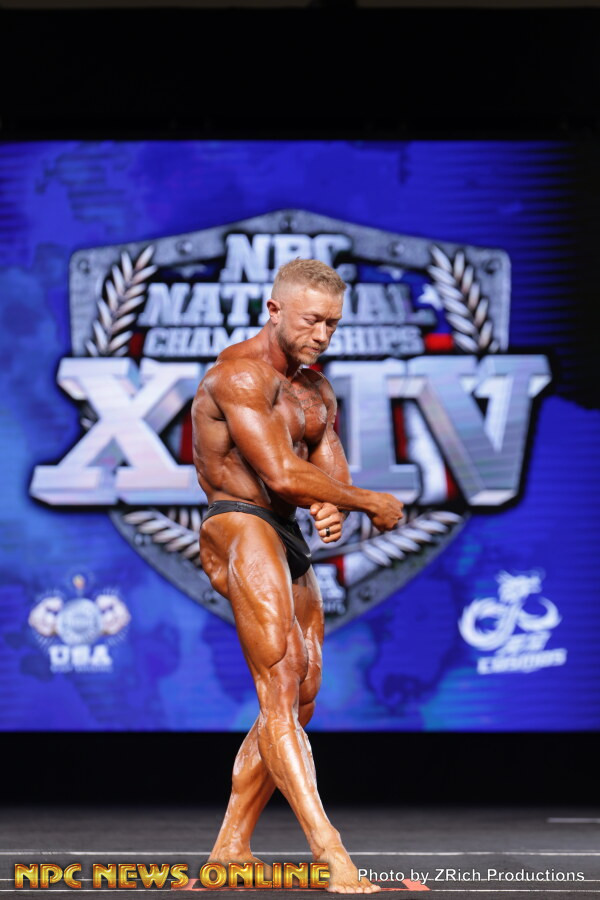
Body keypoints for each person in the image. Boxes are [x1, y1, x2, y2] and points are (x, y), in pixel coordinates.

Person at [190, 258, 404, 893]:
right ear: (274, 310)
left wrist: (333, 503)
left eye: (332, 324)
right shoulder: (238, 376)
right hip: (237, 522)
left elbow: (323, 473)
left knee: (302, 693)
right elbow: (281, 474)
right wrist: (368, 501)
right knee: (279, 683)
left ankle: (230, 848)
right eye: (312, 320)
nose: (322, 335)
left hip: (283, 532)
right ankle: (330, 851)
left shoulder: (315, 391)